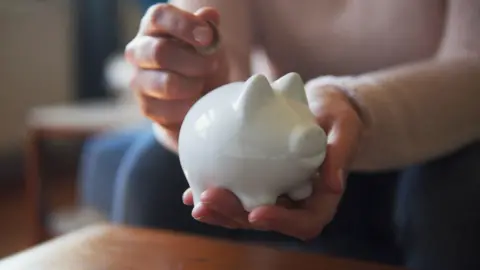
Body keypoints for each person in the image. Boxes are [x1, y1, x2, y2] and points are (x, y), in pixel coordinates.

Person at [120, 1, 480, 269]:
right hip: (292, 123)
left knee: (456, 191)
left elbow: (472, 66)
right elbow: (212, 42)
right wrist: (187, 78)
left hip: (440, 128)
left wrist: (353, 105)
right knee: (152, 174)